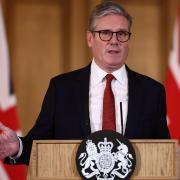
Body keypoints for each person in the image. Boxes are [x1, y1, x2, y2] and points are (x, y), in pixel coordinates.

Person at [0, 1, 170, 165]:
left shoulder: (152, 91)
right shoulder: (62, 88)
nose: (114, 40)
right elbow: (39, 145)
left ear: (129, 40)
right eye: (105, 33)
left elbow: (163, 154)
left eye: (122, 34)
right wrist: (18, 147)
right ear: (90, 38)